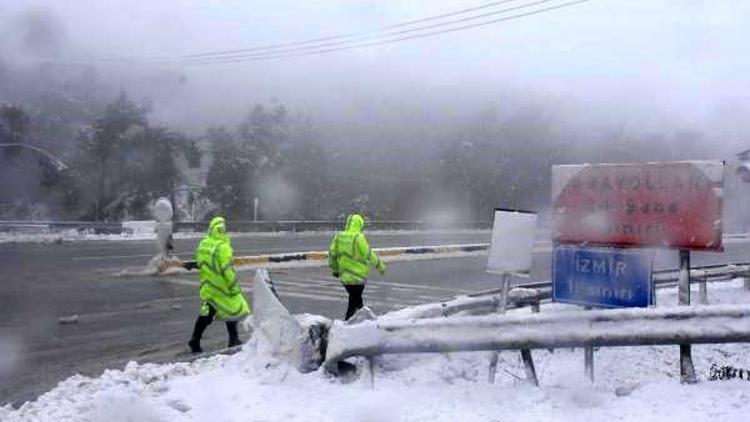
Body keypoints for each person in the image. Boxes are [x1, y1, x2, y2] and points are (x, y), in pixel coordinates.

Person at [188, 216, 251, 353]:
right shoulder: (223, 247)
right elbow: (226, 269)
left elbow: (200, 262)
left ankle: (195, 339)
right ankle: (233, 339)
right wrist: (233, 286)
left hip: (208, 285)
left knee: (206, 315)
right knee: (233, 309)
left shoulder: (204, 243)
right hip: (222, 287)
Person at [328, 213, 386, 320]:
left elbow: (332, 255)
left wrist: (335, 269)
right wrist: (379, 266)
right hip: (358, 277)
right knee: (357, 303)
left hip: (345, 277)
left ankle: (355, 323)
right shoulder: (358, 238)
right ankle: (360, 324)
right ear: (359, 224)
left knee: (354, 301)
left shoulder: (339, 237)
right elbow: (368, 254)